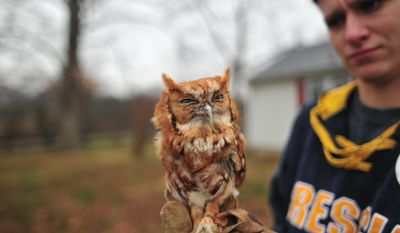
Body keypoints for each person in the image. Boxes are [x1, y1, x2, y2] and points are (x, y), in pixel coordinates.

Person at [269, 0, 400, 232]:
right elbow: (280, 218)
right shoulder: (312, 122)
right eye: (335, 21)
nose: (352, 33)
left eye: (369, 5)